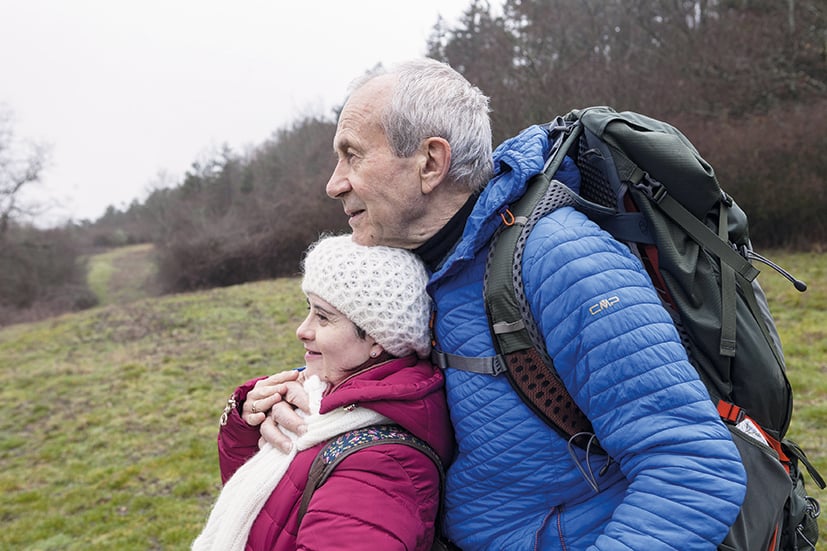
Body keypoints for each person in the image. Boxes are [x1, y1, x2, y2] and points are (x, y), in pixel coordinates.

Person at [262, 58, 748, 550]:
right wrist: (271, 405)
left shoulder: (559, 259)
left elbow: (692, 467)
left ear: (431, 162)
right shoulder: (417, 266)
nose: (334, 183)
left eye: (353, 156)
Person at [192, 233, 453, 551]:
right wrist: (248, 419)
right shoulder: (314, 400)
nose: (302, 330)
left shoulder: (380, 467)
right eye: (308, 309)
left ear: (376, 340)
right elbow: (271, 510)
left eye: (324, 317)